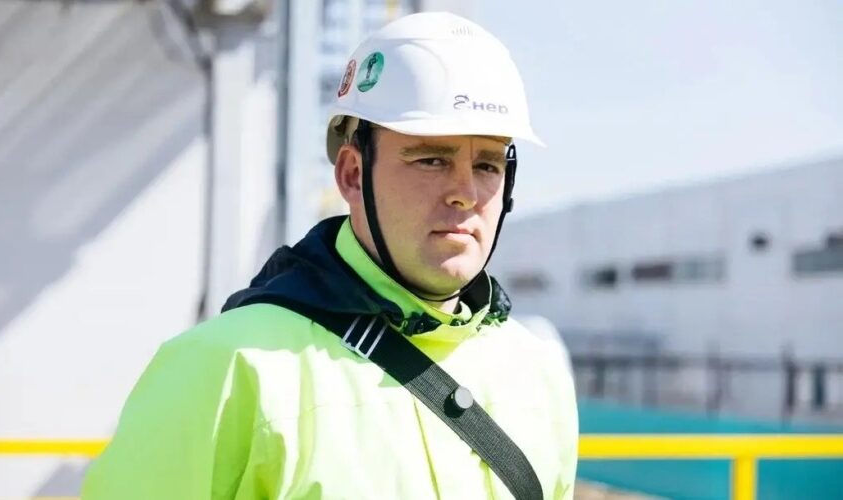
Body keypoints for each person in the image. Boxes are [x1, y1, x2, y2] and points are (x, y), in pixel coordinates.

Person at [81, 11, 577, 500]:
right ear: (353, 175)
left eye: (488, 165)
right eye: (431, 159)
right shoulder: (228, 367)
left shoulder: (537, 373)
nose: (465, 194)